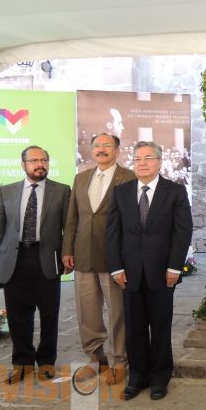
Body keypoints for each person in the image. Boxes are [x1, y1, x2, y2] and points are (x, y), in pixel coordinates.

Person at [106, 141, 192, 401]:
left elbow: (182, 232)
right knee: (134, 328)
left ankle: (160, 377)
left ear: (159, 161)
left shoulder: (175, 192)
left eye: (147, 158)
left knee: (161, 326)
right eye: (137, 159)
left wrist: (175, 267)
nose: (141, 163)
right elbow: (112, 233)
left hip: (163, 273)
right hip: (129, 273)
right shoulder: (121, 192)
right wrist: (116, 267)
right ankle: (138, 376)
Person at [0, 146, 70, 383]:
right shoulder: (6, 192)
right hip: (14, 260)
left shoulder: (62, 191)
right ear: (23, 164)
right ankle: (22, 363)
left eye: (44, 159)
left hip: (47, 259)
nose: (40, 164)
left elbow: (68, 229)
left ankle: (45, 362)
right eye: (34, 160)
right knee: (17, 315)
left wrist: (67, 255)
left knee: (49, 314)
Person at [62, 133, 136, 384]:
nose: (101, 149)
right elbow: (72, 218)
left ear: (117, 150)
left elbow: (133, 221)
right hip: (82, 255)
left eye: (107, 145)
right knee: (87, 311)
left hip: (114, 258)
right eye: (97, 146)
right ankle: (95, 357)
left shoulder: (129, 177)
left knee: (118, 311)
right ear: (91, 151)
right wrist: (67, 250)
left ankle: (119, 361)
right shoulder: (81, 178)